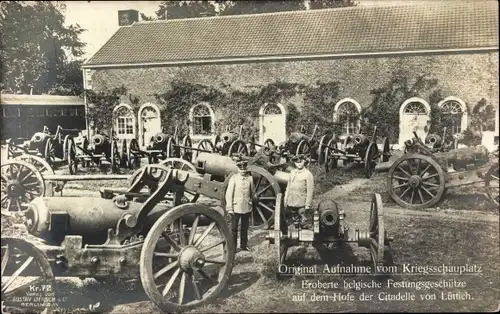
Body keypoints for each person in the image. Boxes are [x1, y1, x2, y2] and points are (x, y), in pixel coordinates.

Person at [225, 155, 255, 252]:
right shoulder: (234, 178)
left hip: (246, 206)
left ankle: (244, 245)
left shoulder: (250, 178)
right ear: (238, 169)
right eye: (241, 169)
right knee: (233, 229)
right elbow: (229, 194)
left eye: (244, 169)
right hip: (236, 207)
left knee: (244, 228)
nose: (243, 171)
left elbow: (253, 192)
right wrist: (229, 208)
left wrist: (251, 200)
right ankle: (233, 248)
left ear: (246, 169)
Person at [284, 154, 314, 228]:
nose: (299, 164)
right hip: (292, 202)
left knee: (303, 221)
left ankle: (304, 235)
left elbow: (310, 190)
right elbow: (288, 187)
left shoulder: (308, 174)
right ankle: (294, 236)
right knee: (294, 221)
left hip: (301, 203)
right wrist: (286, 199)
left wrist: (308, 204)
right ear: (294, 163)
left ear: (304, 162)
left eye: (301, 162)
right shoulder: (292, 172)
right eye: (297, 162)